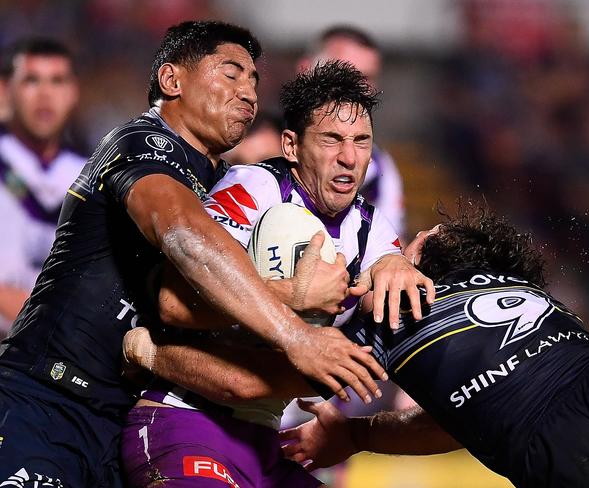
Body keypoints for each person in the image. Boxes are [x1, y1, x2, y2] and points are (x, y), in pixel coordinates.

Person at [0, 21, 385, 487]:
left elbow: (189, 305)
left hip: (116, 418)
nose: (248, 93)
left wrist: (392, 262)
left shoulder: (221, 182)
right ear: (172, 80)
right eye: (230, 73)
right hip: (44, 401)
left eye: (253, 81)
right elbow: (184, 234)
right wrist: (294, 329)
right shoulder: (143, 143)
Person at [121, 60, 434, 488]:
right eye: (331, 139)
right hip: (186, 422)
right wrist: (290, 295)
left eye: (362, 141)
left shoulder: (371, 228)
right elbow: (172, 304)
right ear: (290, 146)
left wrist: (401, 268)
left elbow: (392, 278)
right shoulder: (252, 189)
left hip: (267, 443)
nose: (349, 157)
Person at [280, 207, 589, 488]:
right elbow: (460, 421)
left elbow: (247, 386)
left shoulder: (389, 313)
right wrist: (357, 435)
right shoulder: (519, 285)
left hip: (553, 436)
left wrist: (293, 300)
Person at [0, 38, 84, 335]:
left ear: (74, 93)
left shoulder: (94, 175)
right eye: (31, 80)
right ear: (6, 90)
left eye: (58, 81)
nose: (46, 95)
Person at [298, 25, 405, 237]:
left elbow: (391, 245)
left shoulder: (379, 169)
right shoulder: (251, 141)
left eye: (368, 78)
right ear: (305, 69)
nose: (360, 89)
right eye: (347, 74)